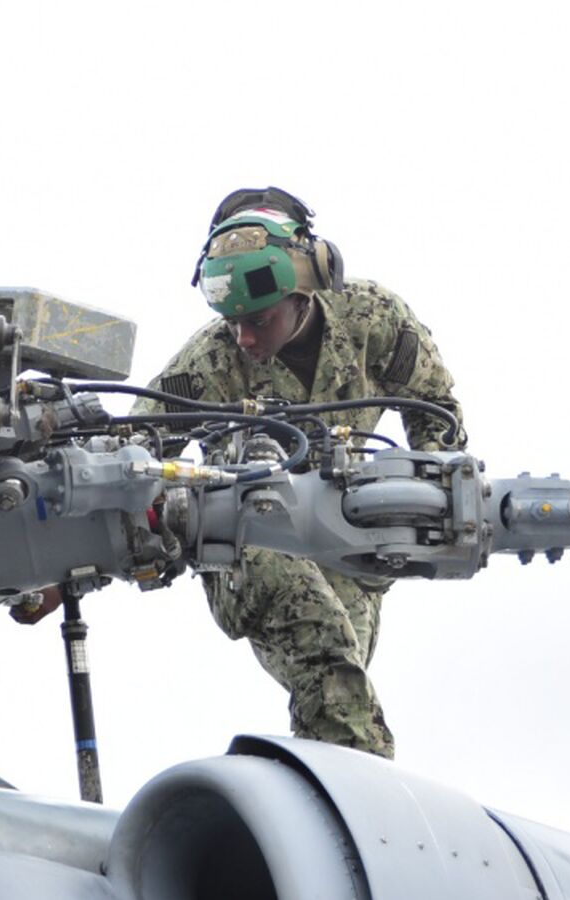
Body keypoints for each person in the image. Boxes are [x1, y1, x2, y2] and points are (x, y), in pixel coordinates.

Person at [131, 187, 467, 757]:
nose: (244, 339)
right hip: (251, 540)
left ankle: (334, 779)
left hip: (348, 540)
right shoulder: (210, 361)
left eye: (259, 320)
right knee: (325, 651)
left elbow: (435, 411)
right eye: (232, 322)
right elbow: (130, 449)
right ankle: (363, 789)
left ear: (306, 289)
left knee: (341, 680)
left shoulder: (373, 322)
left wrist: (426, 507)